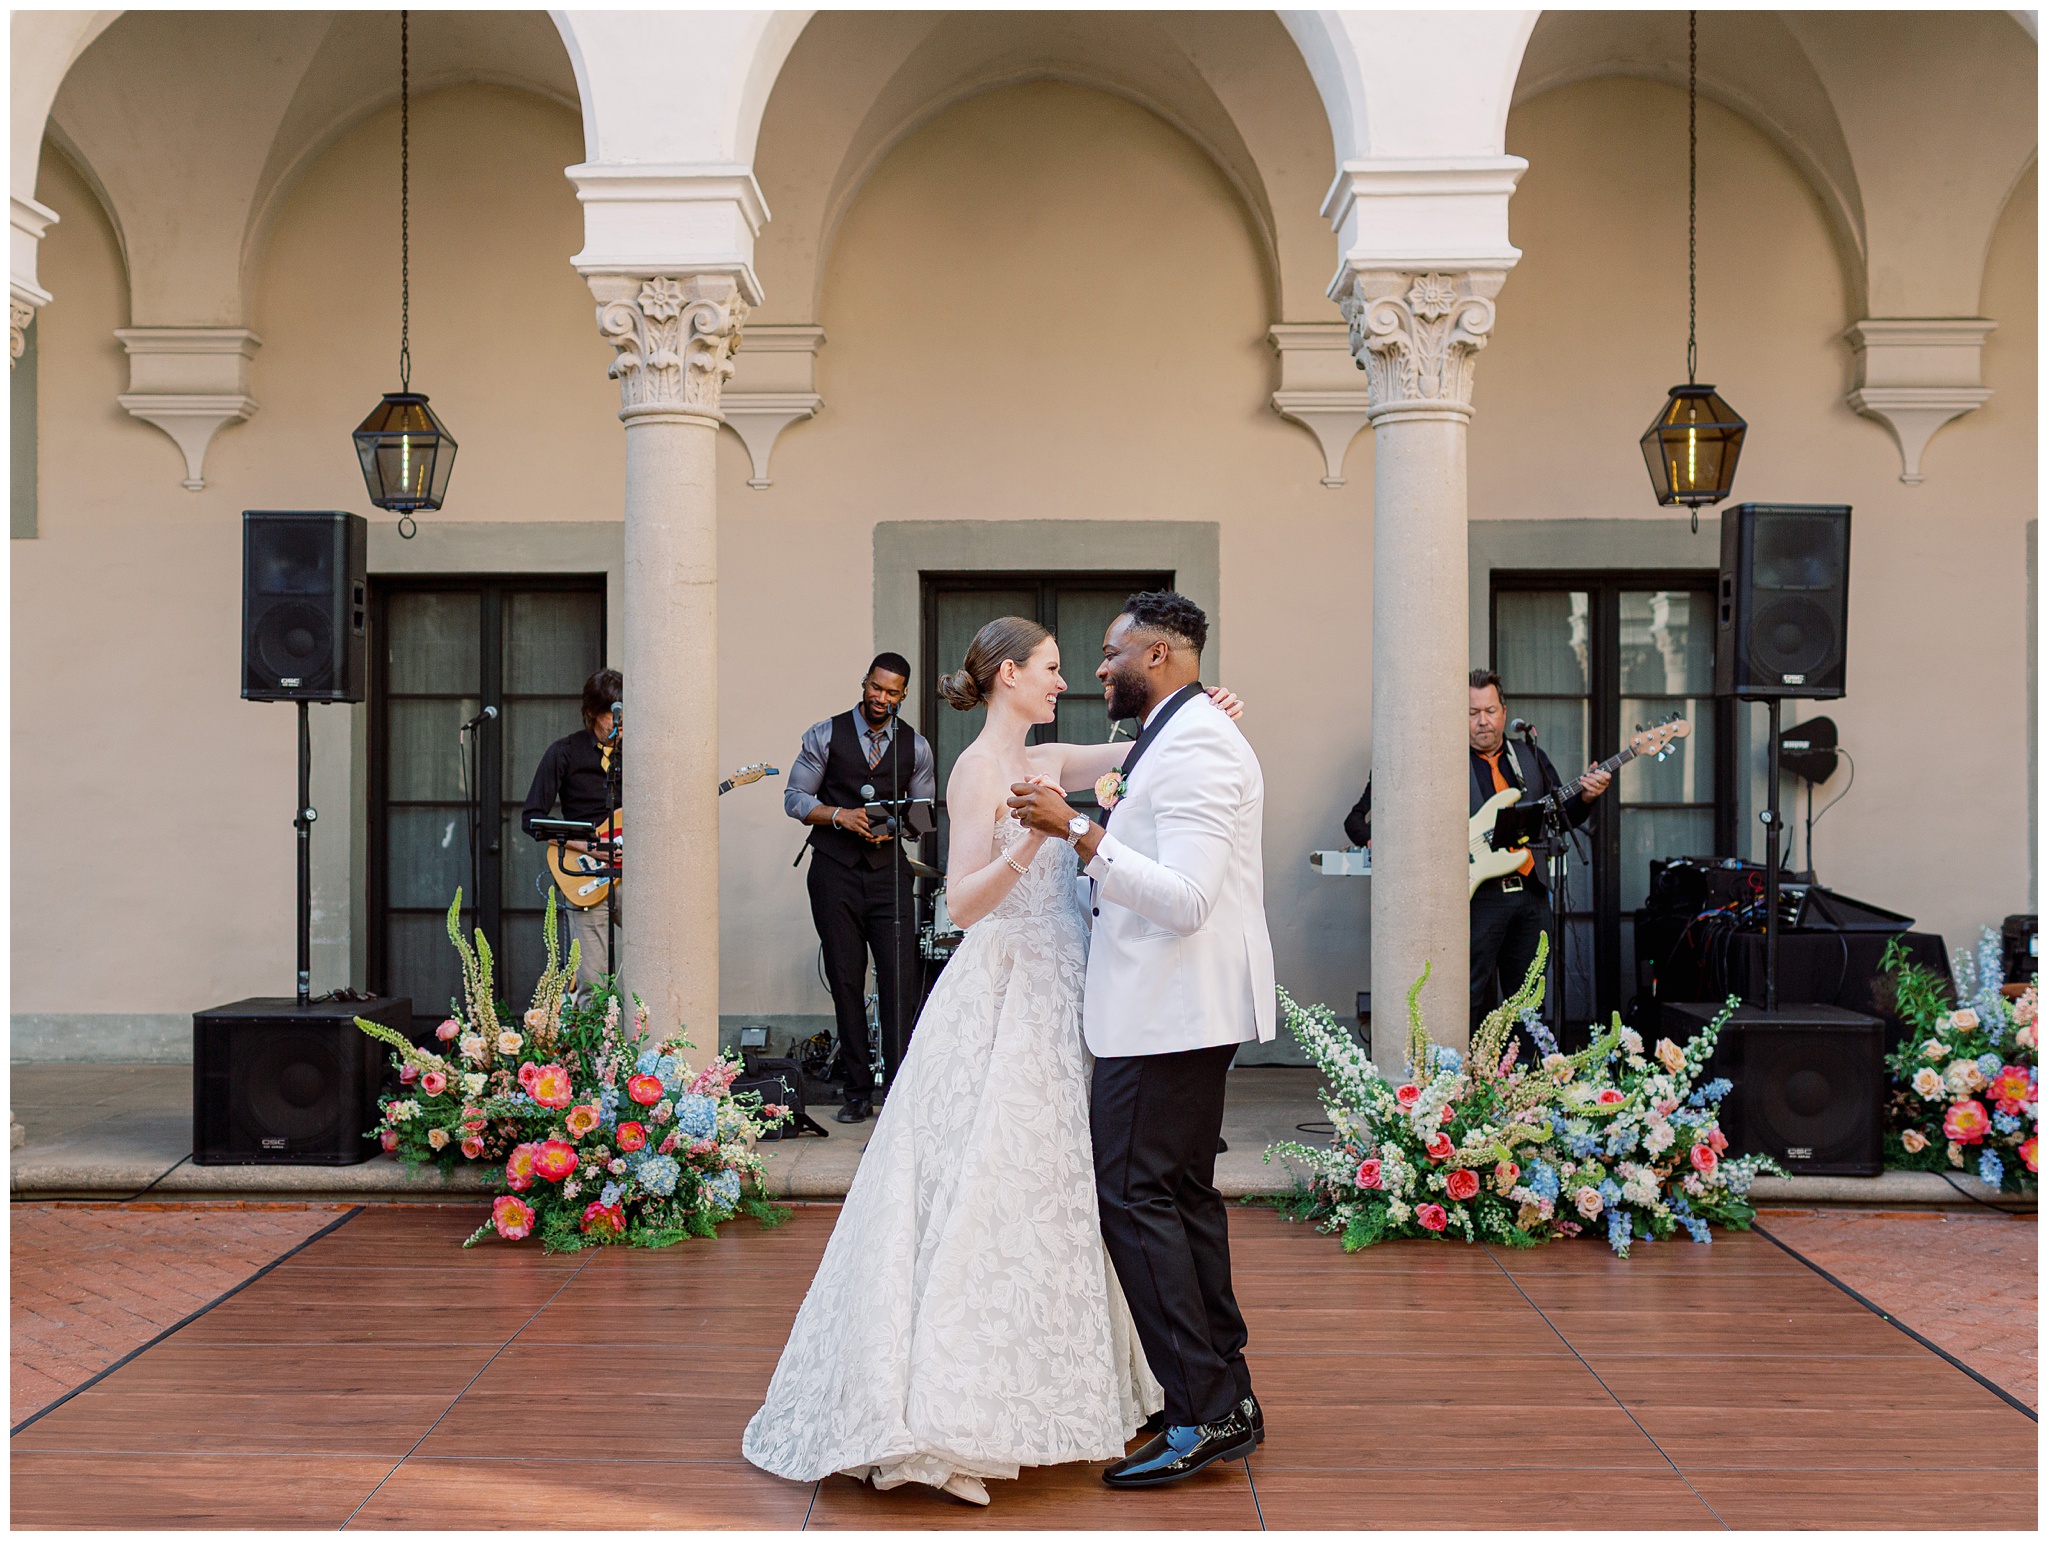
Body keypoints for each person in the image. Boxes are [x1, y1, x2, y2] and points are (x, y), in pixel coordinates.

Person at [742, 610, 1245, 1506]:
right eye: (1051, 668)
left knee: (1069, 1183)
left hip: (1074, 994)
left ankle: (1109, 1380)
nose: (1065, 681)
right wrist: (1028, 846)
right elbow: (961, 907)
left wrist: (1206, 704)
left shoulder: (1048, 763)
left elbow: (1137, 757)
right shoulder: (975, 771)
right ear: (1007, 674)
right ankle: (963, 1391)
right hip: (1007, 986)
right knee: (992, 1179)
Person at [1008, 591, 1274, 1488]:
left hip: (1171, 1012)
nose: (1098, 667)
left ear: (1157, 653)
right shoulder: (1177, 728)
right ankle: (1223, 1393)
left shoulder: (1197, 742)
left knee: (1133, 1197)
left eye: (1112, 651)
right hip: (1174, 1009)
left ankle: (1202, 1412)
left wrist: (1078, 829)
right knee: (1183, 1196)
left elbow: (1190, 898)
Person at [1340, 668, 1611, 1031]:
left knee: (1529, 1003)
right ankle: (1467, 1082)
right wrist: (1381, 841)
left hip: (1529, 895)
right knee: (1467, 1000)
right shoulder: (1441, 763)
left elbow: (1559, 820)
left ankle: (1523, 1082)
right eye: (1472, 713)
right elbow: (1357, 821)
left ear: (1503, 710)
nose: (1484, 721)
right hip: (1474, 899)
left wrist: (1588, 798)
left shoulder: (1529, 758)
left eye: (1491, 710)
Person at [784, 653, 935, 1123]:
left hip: (889, 876)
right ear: (864, 682)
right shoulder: (824, 735)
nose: (881, 698)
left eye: (892, 692)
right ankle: (855, 1093)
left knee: (898, 984)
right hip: (835, 872)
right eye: (876, 687)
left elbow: (923, 812)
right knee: (846, 981)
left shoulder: (916, 746)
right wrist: (839, 816)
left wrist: (894, 828)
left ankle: (897, 1092)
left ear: (903, 695)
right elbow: (795, 797)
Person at [521, 668, 623, 996]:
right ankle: (595, 1048)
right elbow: (532, 819)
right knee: (592, 981)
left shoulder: (637, 755)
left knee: (658, 956)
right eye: (612, 714)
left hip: (630, 872)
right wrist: (589, 847)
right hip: (583, 874)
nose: (618, 723)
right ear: (592, 712)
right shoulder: (564, 752)